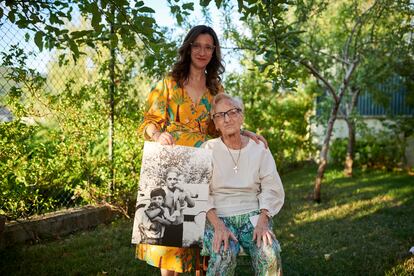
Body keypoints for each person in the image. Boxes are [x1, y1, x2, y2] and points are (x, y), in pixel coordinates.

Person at [136, 25, 267, 276]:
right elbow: (149, 121)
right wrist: (158, 134)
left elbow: (225, 120)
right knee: (171, 240)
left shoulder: (215, 89)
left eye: (208, 47)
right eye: (197, 45)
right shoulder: (169, 83)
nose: (202, 51)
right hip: (172, 159)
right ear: (188, 48)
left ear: (214, 52)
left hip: (205, 163)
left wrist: (246, 133)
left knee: (201, 239)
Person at [201, 93, 285, 276]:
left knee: (268, 254)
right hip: (219, 217)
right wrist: (218, 226)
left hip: (254, 217)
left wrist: (263, 222)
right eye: (220, 115)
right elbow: (201, 193)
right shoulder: (208, 149)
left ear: (241, 116)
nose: (227, 118)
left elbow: (272, 186)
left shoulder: (259, 148)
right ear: (215, 124)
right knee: (224, 255)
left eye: (232, 112)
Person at [162, 167, 195, 247]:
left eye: (175, 179)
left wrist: (185, 194)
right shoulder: (162, 192)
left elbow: (192, 204)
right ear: (165, 180)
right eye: (169, 179)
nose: (172, 182)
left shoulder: (181, 191)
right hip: (166, 226)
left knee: (177, 250)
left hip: (179, 225)